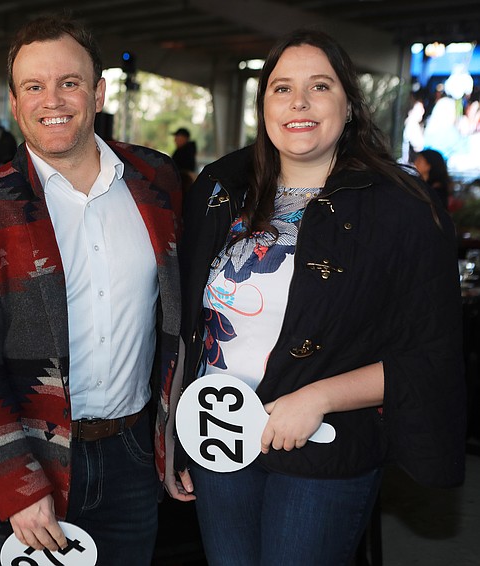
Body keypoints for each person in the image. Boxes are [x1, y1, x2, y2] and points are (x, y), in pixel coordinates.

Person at [170, 29, 465, 566]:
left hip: (324, 446)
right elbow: (185, 324)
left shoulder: (401, 209)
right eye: (281, 88)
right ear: (263, 106)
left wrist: (320, 397)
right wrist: (174, 431)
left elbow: (430, 356)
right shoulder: (221, 189)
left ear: (349, 105)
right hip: (219, 434)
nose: (298, 102)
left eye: (319, 86)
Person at [0, 15, 182, 565]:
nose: (54, 99)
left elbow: (178, 323)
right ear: (16, 104)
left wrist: (173, 440)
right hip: (28, 462)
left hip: (133, 455)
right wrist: (18, 485)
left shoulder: (157, 183)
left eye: (69, 82)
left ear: (97, 91)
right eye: (33, 86)